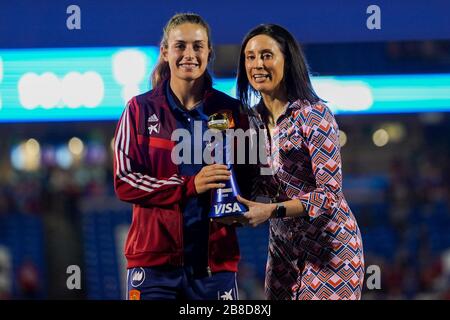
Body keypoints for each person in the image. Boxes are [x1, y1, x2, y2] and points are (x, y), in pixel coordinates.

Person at [113, 13, 252, 300]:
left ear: (209, 52)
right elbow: (125, 181)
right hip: (154, 268)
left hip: (215, 265)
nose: (189, 54)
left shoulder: (232, 112)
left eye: (198, 47)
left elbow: (249, 178)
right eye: (180, 46)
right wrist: (189, 186)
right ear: (165, 51)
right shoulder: (139, 110)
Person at [235, 24, 365, 300]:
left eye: (267, 55)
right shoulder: (250, 123)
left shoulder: (314, 115)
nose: (257, 64)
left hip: (331, 252)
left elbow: (329, 195)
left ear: (287, 59)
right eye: (250, 56)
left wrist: (270, 211)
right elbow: (256, 184)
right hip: (283, 253)